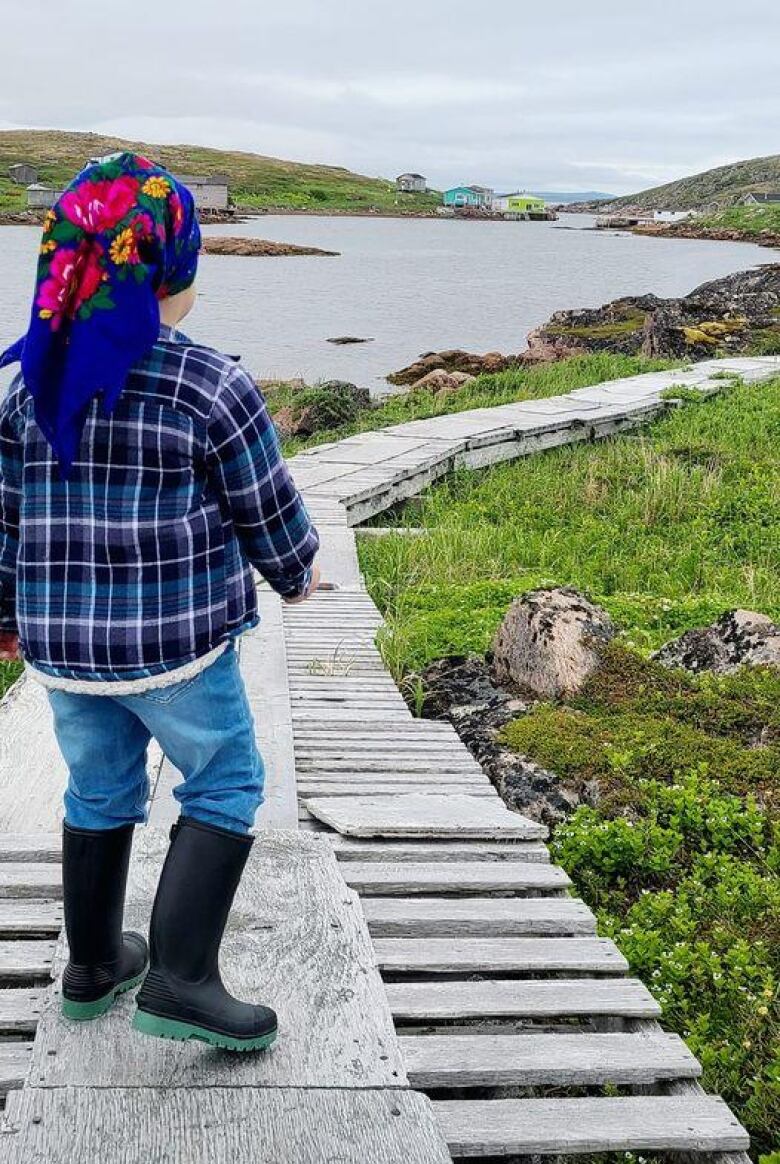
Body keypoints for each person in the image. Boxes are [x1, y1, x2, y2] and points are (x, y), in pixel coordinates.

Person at [0, 152, 319, 1052]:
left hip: (62, 651)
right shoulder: (207, 382)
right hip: (176, 648)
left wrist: (4, 617)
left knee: (98, 789)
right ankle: (181, 979)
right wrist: (297, 573)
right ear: (172, 274)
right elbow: (265, 505)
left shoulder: (31, 384)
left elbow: (5, 518)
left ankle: (94, 965)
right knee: (224, 782)